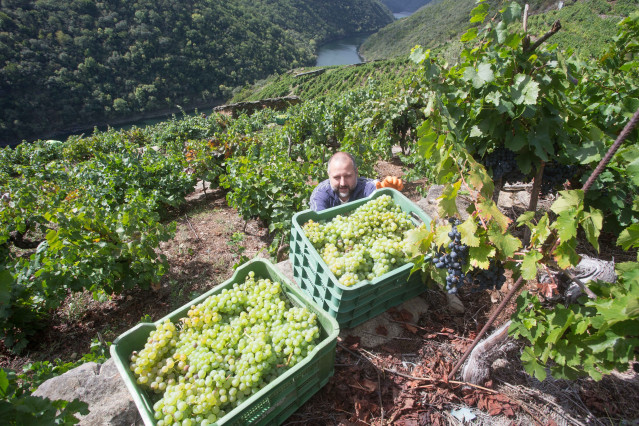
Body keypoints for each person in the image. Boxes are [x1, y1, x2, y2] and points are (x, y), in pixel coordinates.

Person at [309, 152, 402, 212]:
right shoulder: (320, 194)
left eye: (348, 176)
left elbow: (376, 188)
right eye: (337, 177)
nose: (342, 183)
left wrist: (385, 191)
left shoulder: (365, 186)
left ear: (356, 172)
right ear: (329, 175)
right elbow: (317, 221)